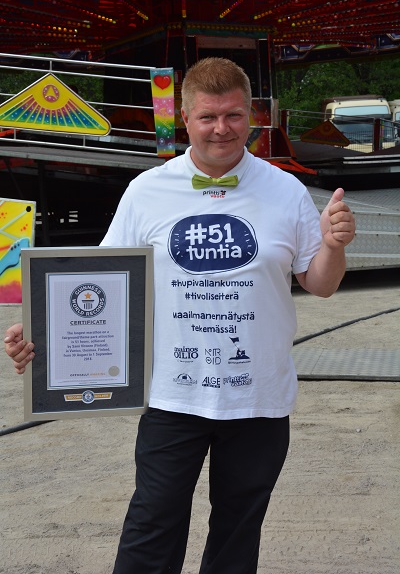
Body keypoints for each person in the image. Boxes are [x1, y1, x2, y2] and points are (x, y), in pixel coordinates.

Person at [4, 57, 355, 574]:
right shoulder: (147, 190)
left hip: (257, 395)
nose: (221, 128)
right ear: (185, 118)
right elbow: (100, 282)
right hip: (172, 394)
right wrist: (41, 332)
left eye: (233, 115)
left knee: (238, 529)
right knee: (153, 522)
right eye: (208, 116)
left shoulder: (286, 190)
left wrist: (333, 245)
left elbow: (320, 284)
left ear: (251, 115)